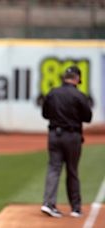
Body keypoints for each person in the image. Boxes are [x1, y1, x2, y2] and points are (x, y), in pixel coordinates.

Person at [40, 66, 92, 218]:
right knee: (72, 171)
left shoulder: (52, 93)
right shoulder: (79, 95)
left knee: (53, 169)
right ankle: (75, 208)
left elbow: (45, 114)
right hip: (72, 136)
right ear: (76, 78)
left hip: (54, 135)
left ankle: (48, 203)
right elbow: (88, 117)